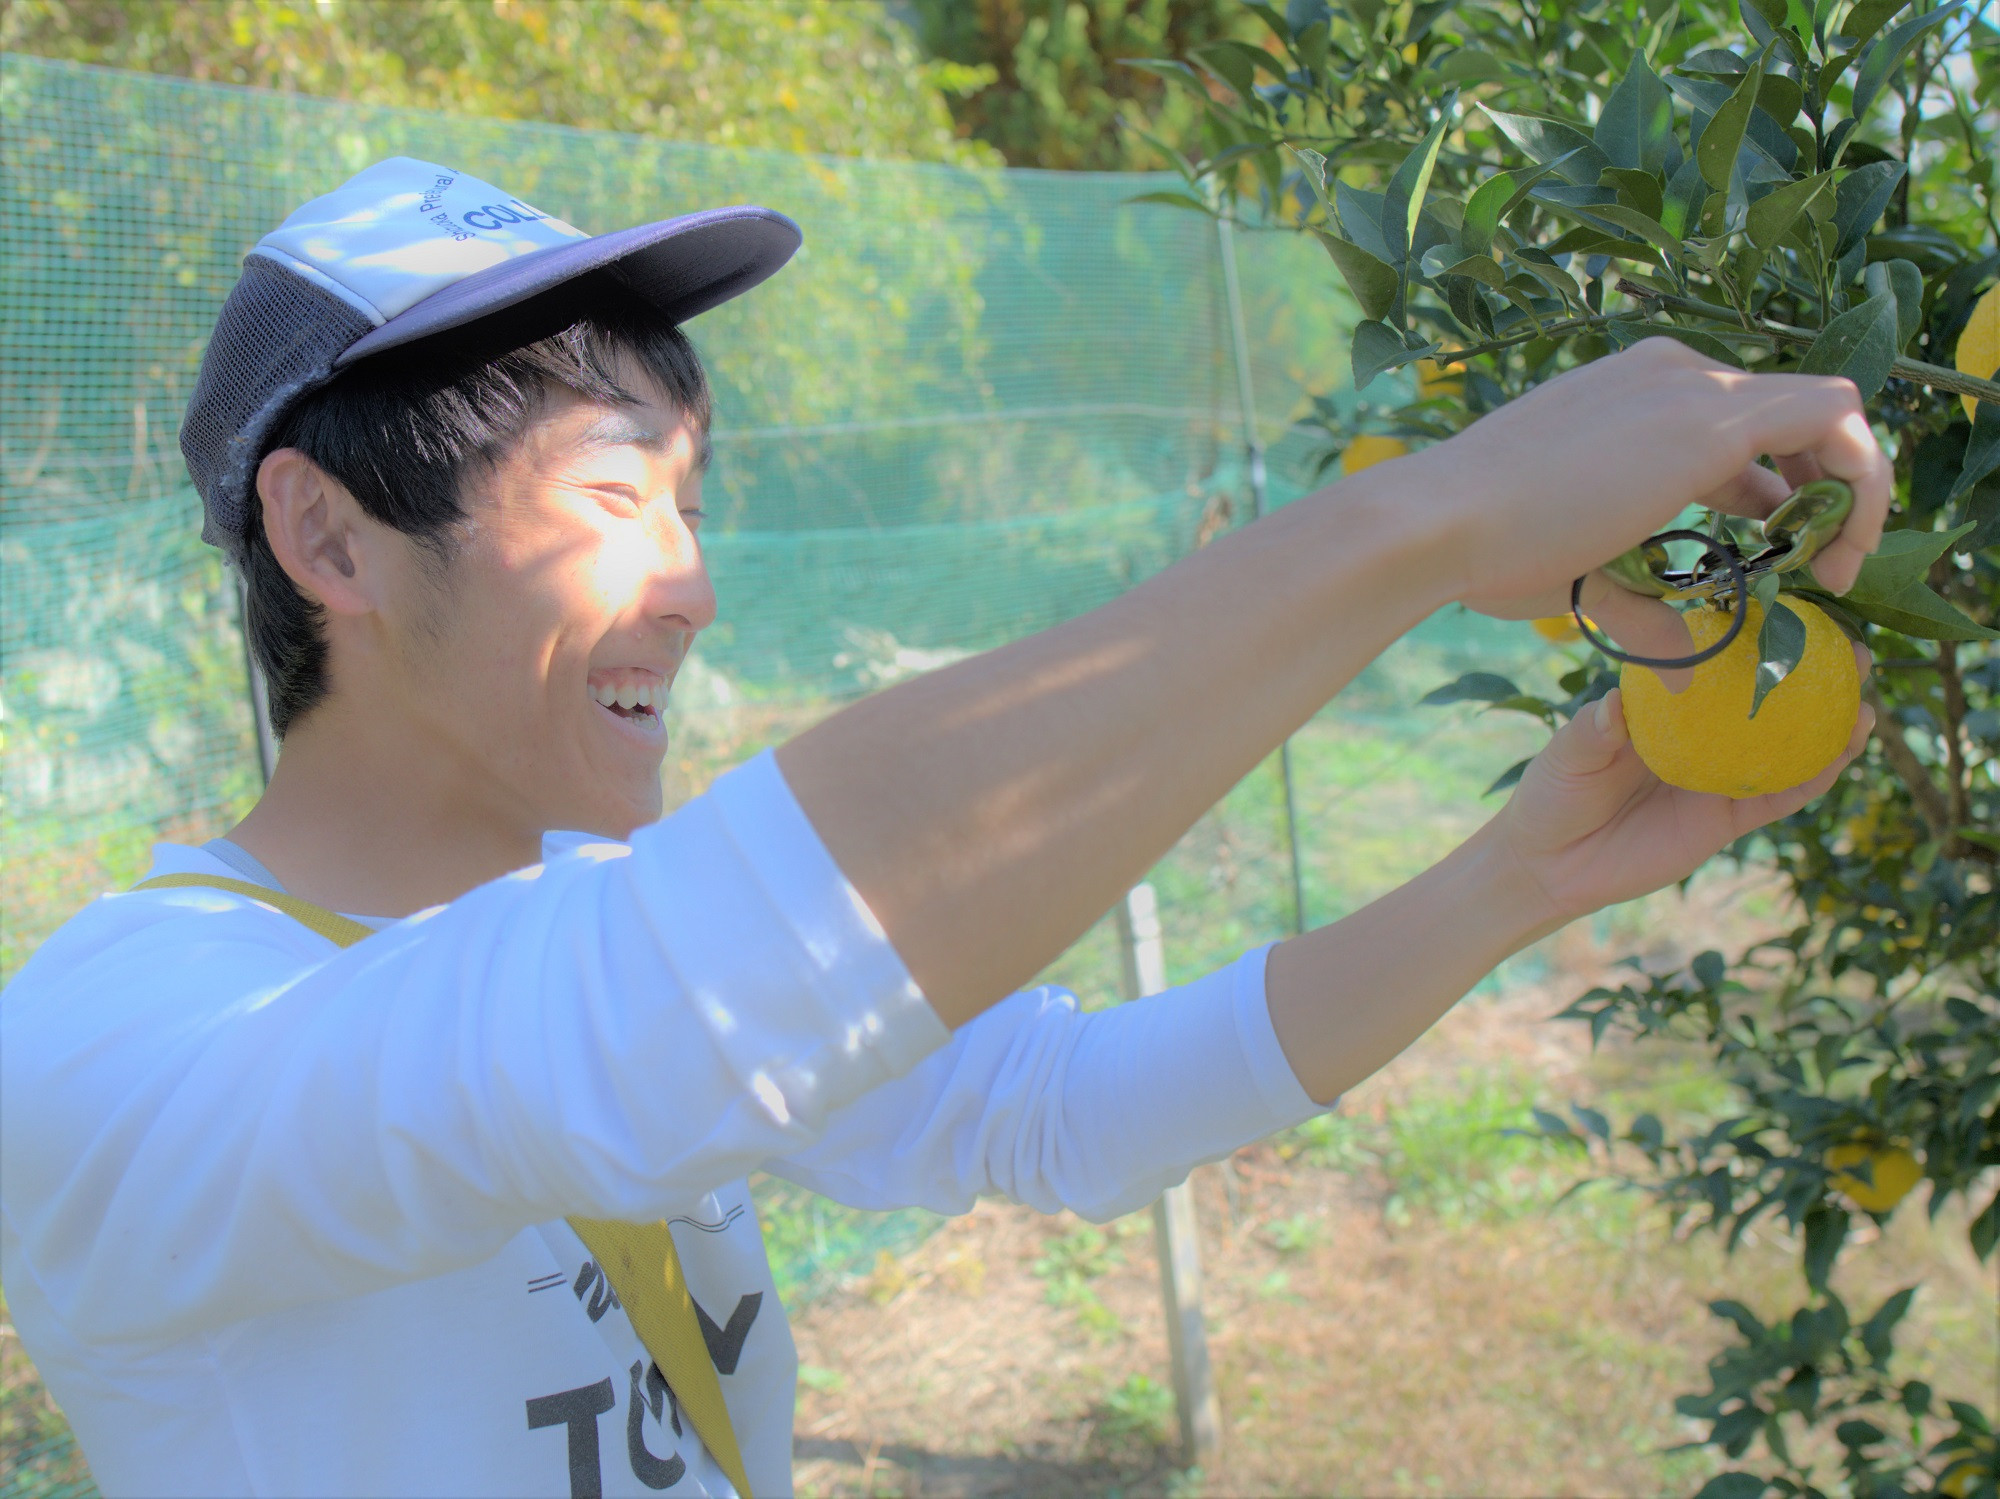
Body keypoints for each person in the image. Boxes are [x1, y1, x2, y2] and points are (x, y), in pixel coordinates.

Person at [0, 156, 1888, 1498]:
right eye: (608, 498)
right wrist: (1426, 525)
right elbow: (660, 1020)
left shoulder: (594, 912)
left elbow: (1050, 1109)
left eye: (691, 498)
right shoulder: (119, 1050)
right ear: (330, 538)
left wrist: (1516, 878)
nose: (691, 587)